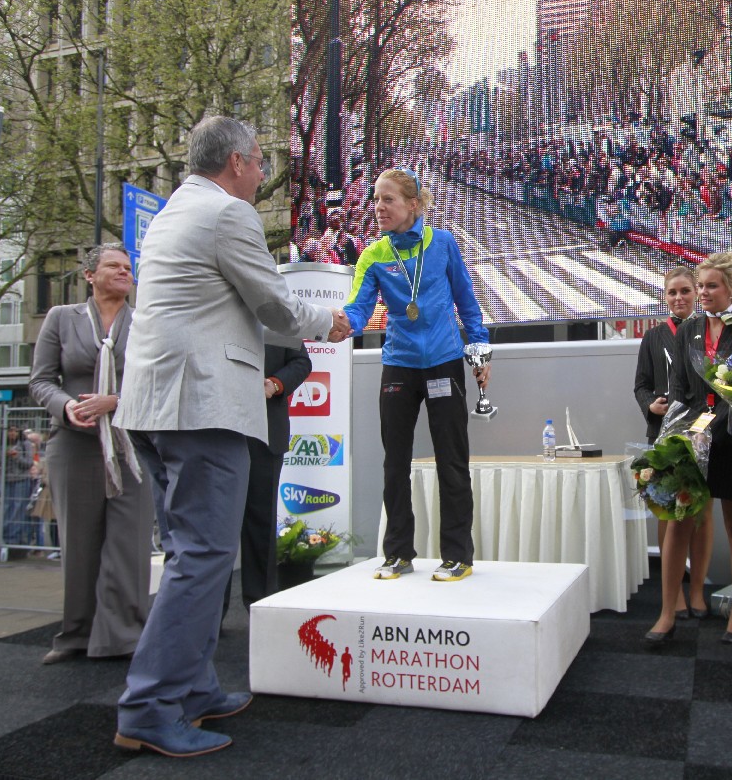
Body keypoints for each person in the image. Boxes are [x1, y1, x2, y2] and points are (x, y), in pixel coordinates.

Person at [112, 115, 349, 758]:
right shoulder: (227, 214)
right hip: (202, 408)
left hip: (158, 406)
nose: (263, 173)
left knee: (190, 554)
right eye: (260, 162)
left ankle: (192, 688)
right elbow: (273, 304)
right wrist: (331, 320)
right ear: (238, 161)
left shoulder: (172, 212)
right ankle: (149, 706)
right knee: (204, 558)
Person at [342, 167, 490, 584]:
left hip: (444, 360)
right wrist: (340, 324)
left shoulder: (442, 243)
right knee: (395, 463)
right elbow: (358, 308)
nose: (378, 207)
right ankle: (398, 553)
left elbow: (466, 301)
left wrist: (479, 349)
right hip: (400, 365)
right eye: (375, 199)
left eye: (387, 199)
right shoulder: (373, 255)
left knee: (451, 461)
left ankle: (457, 555)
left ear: (413, 204)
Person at [29, 243, 154, 667]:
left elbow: (158, 381)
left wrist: (114, 402)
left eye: (128, 268)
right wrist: (66, 406)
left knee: (129, 543)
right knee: (79, 543)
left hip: (131, 446)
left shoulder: (144, 322)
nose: (124, 272)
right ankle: (76, 635)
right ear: (89, 275)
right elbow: (41, 381)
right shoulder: (61, 318)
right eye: (113, 266)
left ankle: (124, 636)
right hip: (75, 445)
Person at [645, 252, 732, 647]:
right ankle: (667, 612)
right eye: (701, 286)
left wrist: (716, 427)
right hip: (693, 441)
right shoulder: (688, 331)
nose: (703, 292)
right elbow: (680, 390)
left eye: (711, 286)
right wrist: (675, 436)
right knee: (679, 522)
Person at [632, 265, 713, 619]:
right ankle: (674, 593)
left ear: (696, 293)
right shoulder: (653, 336)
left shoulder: (709, 330)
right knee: (668, 508)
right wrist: (650, 404)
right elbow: (640, 384)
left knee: (702, 512)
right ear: (664, 297)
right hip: (665, 434)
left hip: (703, 432)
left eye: (685, 291)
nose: (679, 298)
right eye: (672, 292)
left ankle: (697, 591)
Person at [222, 343, 312, 617]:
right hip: (220, 430)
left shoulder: (279, 322)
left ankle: (260, 607)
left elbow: (301, 362)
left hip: (266, 430)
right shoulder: (217, 319)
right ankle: (211, 614)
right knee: (218, 526)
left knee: (261, 523)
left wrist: (275, 383)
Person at [0, 425, 38, 547]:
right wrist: (4, 456)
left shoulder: (25, 444)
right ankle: (4, 536)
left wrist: (17, 457)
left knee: (18, 508)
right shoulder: (2, 444)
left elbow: (29, 463)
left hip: (21, 479)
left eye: (15, 431)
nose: (12, 433)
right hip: (6, 479)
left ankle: (14, 538)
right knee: (6, 508)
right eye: (9, 431)